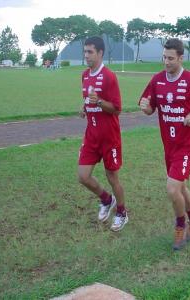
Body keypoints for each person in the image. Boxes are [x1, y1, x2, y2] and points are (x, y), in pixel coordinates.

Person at [139, 38, 190, 250]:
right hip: (168, 144)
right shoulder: (157, 80)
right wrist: (145, 107)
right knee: (181, 187)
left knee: (172, 189)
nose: (166, 62)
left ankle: (181, 225)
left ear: (181, 58)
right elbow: (149, 107)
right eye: (164, 57)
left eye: (171, 58)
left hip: (187, 144)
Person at [78, 36, 128, 232]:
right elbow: (88, 100)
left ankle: (122, 213)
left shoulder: (109, 76)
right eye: (85, 52)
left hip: (109, 136)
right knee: (83, 176)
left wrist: (98, 101)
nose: (86, 56)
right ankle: (107, 199)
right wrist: (84, 107)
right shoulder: (84, 75)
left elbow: (116, 109)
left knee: (112, 176)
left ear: (100, 53)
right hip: (91, 135)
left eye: (90, 52)